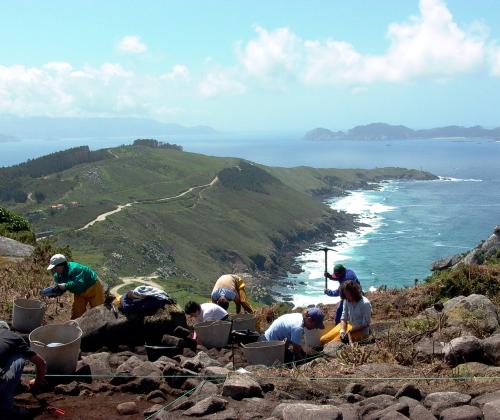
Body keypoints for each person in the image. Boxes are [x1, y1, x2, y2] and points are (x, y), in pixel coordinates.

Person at [0, 321, 47, 418]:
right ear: (7, 329)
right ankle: (7, 408)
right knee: (20, 356)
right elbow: (42, 363)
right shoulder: (13, 337)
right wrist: (36, 383)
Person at [47, 254, 105, 319]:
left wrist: (65, 285)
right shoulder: (58, 275)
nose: (54, 270)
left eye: (55, 268)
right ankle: (75, 327)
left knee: (98, 311)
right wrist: (55, 293)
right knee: (77, 312)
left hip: (93, 287)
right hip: (79, 292)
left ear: (62, 265)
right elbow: (61, 288)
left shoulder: (75, 269)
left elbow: (79, 284)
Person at [320, 280, 371, 345]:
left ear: (354, 293)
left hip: (361, 331)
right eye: (345, 295)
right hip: (349, 326)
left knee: (332, 343)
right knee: (323, 340)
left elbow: (366, 324)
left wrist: (349, 331)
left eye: (349, 295)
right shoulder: (346, 300)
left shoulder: (365, 303)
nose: (347, 297)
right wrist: (343, 331)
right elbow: (344, 318)